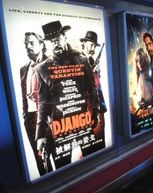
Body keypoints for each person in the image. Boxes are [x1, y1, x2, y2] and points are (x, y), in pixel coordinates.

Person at [34, 21, 100, 168]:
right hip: (60, 124)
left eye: (57, 39)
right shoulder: (42, 69)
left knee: (94, 160)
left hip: (84, 119)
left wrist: (95, 111)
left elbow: (92, 87)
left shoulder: (81, 60)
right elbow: (43, 102)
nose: (55, 44)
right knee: (63, 168)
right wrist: (40, 135)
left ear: (64, 37)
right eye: (51, 42)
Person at [20, 32, 51, 175]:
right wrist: (25, 117)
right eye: (26, 44)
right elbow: (24, 95)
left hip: (49, 119)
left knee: (57, 158)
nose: (27, 46)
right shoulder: (23, 69)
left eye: (31, 43)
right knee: (40, 162)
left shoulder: (52, 63)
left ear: (42, 45)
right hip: (31, 119)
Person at [80, 31, 107, 135]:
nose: (93, 49)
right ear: (84, 43)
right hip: (87, 109)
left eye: (95, 46)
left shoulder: (91, 60)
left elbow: (96, 84)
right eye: (91, 45)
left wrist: (97, 74)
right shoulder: (78, 60)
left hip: (98, 106)